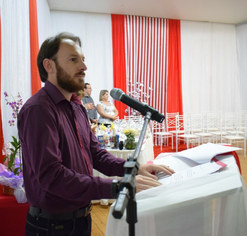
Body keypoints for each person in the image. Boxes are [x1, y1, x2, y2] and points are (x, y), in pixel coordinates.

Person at [17, 32, 174, 236]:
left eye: (83, 59)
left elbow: (96, 154)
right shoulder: (39, 110)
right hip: (52, 227)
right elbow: (52, 177)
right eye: (73, 59)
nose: (84, 67)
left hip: (81, 219)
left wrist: (134, 169)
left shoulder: (76, 106)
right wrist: (117, 186)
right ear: (49, 66)